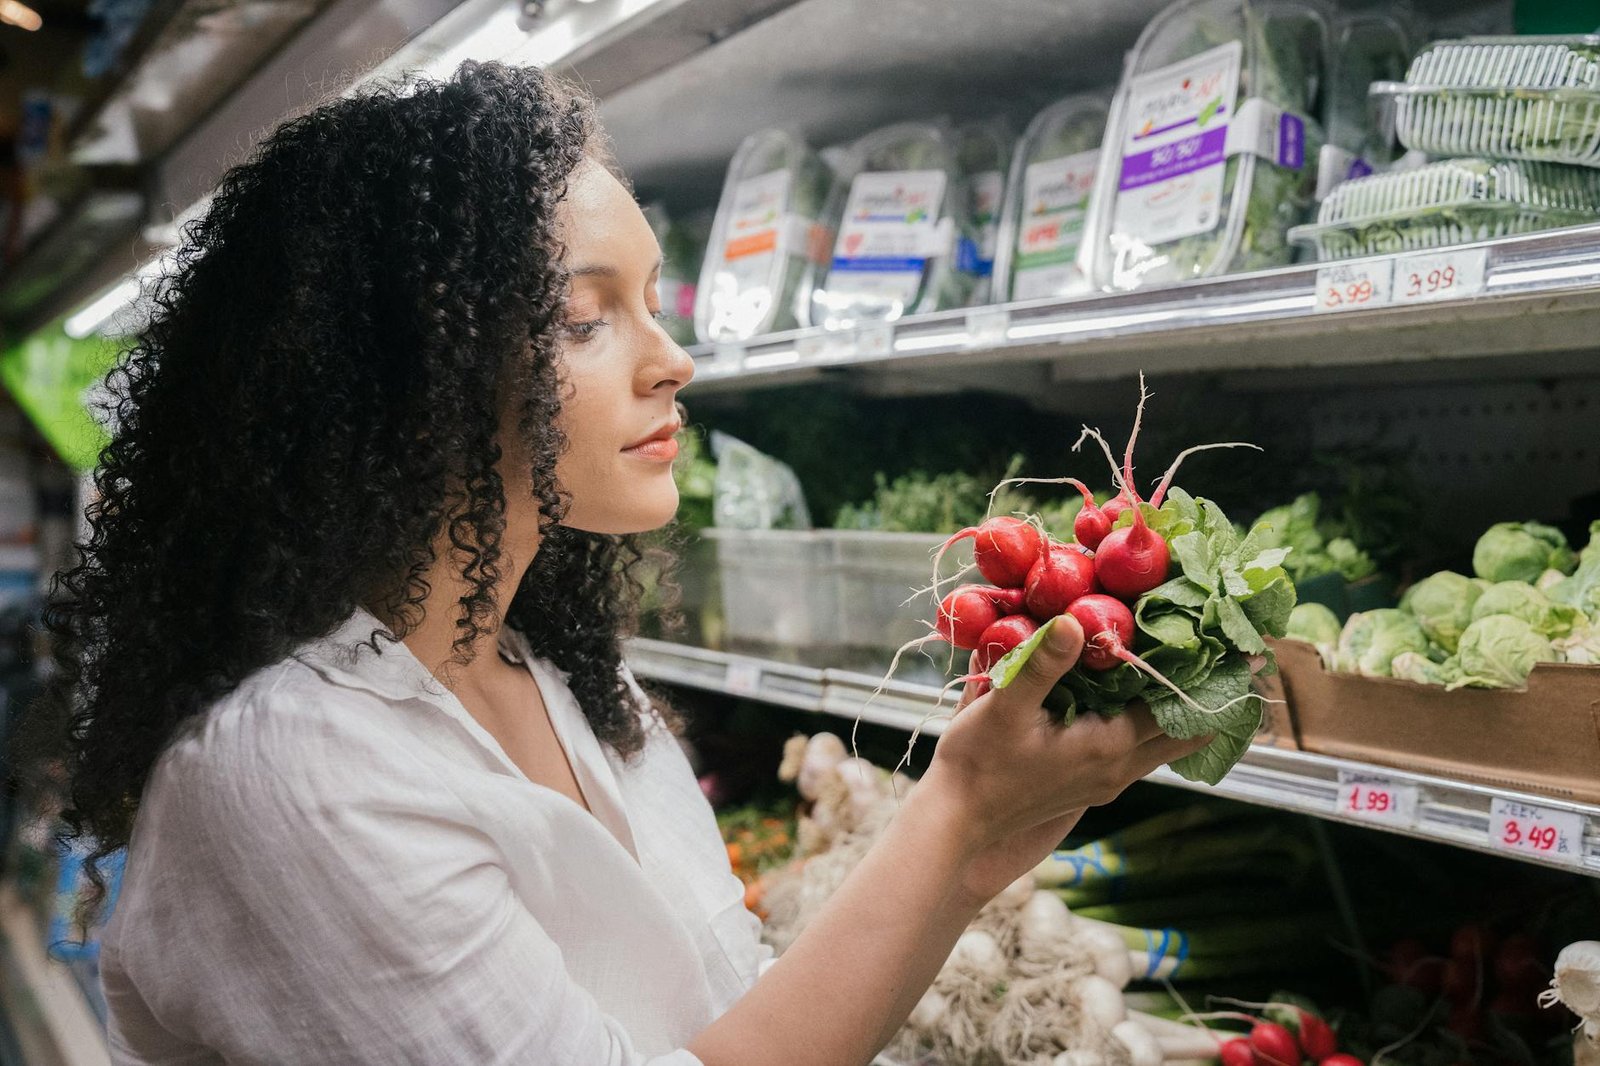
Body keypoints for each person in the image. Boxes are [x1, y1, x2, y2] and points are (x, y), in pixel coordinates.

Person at [42, 63, 1208, 1065]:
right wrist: (950, 810)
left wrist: (972, 849)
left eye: (652, 301)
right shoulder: (289, 776)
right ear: (407, 377)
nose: (674, 362)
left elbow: (728, 1016)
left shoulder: (567, 686)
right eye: (584, 316)